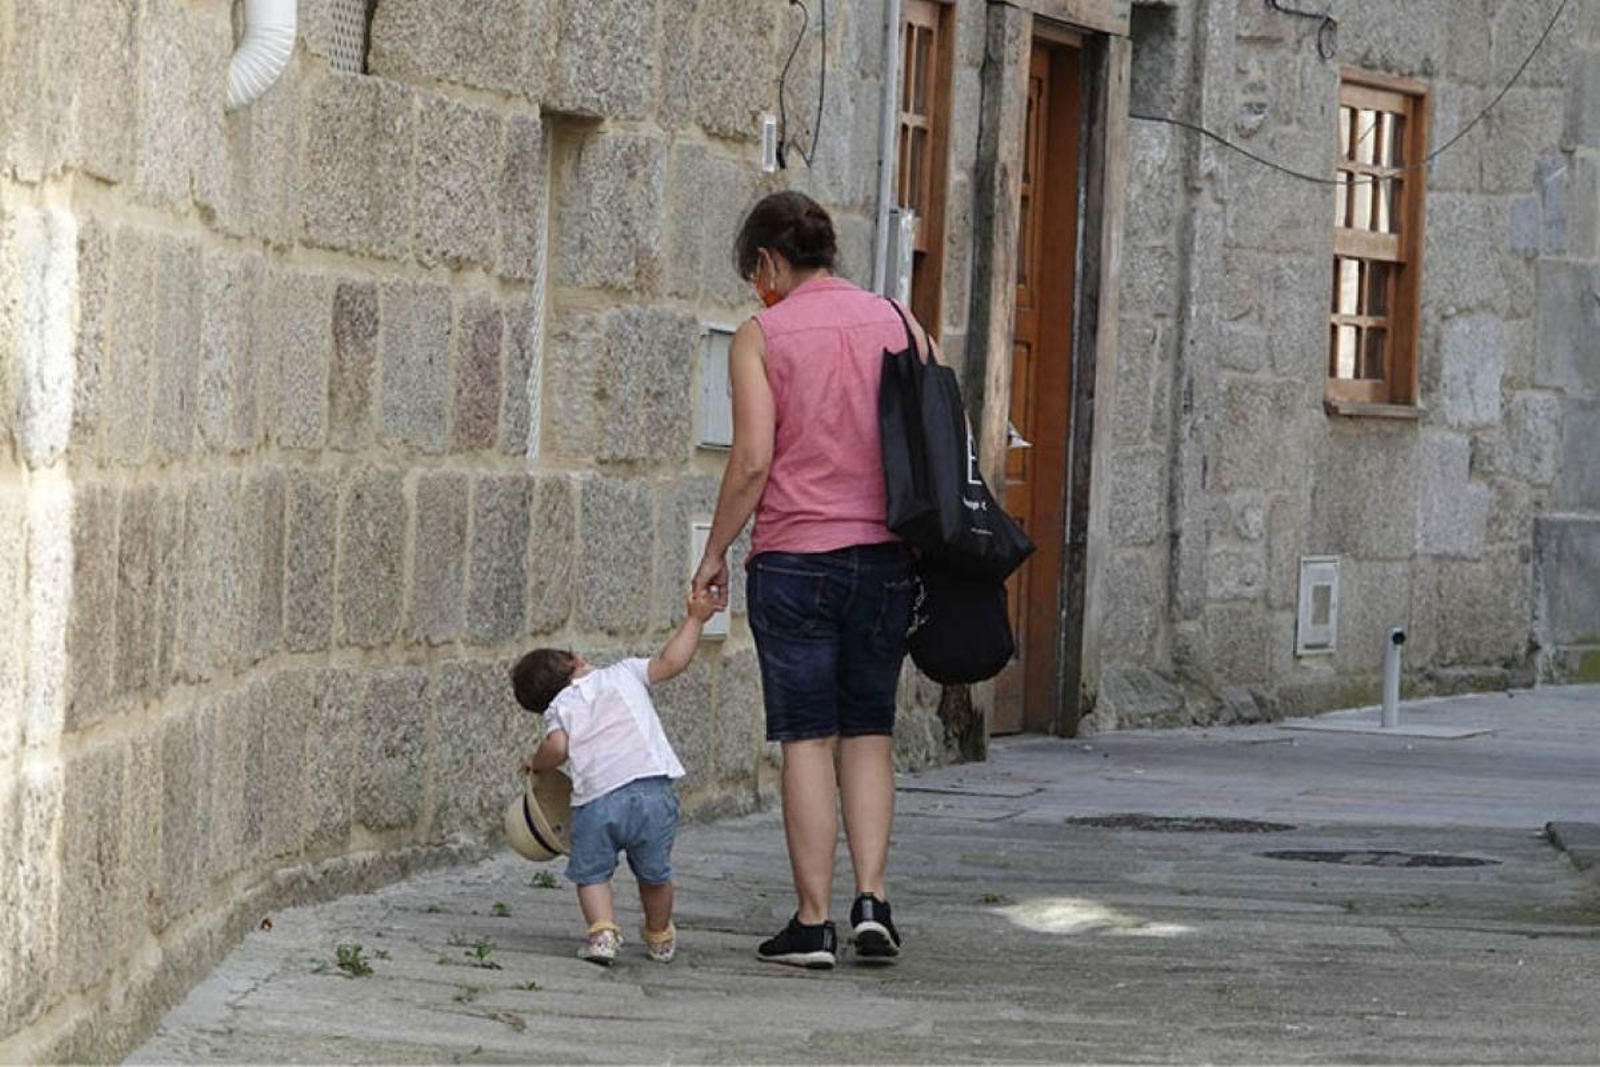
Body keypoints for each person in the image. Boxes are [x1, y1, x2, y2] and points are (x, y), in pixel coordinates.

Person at [691, 190, 928, 969]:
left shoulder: (763, 335)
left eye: (751, 273)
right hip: (886, 558)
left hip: (795, 559)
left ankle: (813, 921)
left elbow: (754, 459)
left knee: (805, 736)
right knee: (869, 731)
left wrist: (715, 550)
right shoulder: (898, 320)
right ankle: (873, 898)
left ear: (768, 262)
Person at [511, 592, 718, 966]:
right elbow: (673, 661)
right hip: (653, 792)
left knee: (591, 873)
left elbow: (557, 747)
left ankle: (603, 933)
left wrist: (536, 765)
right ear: (576, 659)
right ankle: (659, 936)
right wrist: (695, 620)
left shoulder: (560, 707)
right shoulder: (625, 672)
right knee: (655, 874)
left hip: (597, 801)